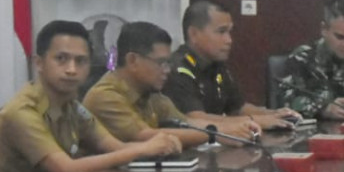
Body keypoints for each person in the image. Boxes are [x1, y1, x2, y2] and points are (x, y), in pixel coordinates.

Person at [0, 21, 182, 172]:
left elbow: (114, 147)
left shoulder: (72, 107)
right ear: (39, 63)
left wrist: (161, 144)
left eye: (80, 61)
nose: (71, 69)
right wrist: (144, 148)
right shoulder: (21, 112)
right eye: (61, 59)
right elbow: (67, 170)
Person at [84, 21, 252, 147]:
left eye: (168, 63)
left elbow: (186, 123)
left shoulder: (150, 94)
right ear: (132, 60)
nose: (167, 70)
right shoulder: (105, 96)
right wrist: (216, 134)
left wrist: (237, 126)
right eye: (161, 63)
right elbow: (147, 135)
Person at [164, 1, 302, 130]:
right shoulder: (177, 69)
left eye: (229, 32)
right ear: (194, 34)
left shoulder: (216, 66)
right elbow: (196, 118)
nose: (229, 40)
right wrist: (255, 121)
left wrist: (274, 114)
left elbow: (238, 108)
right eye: (221, 32)